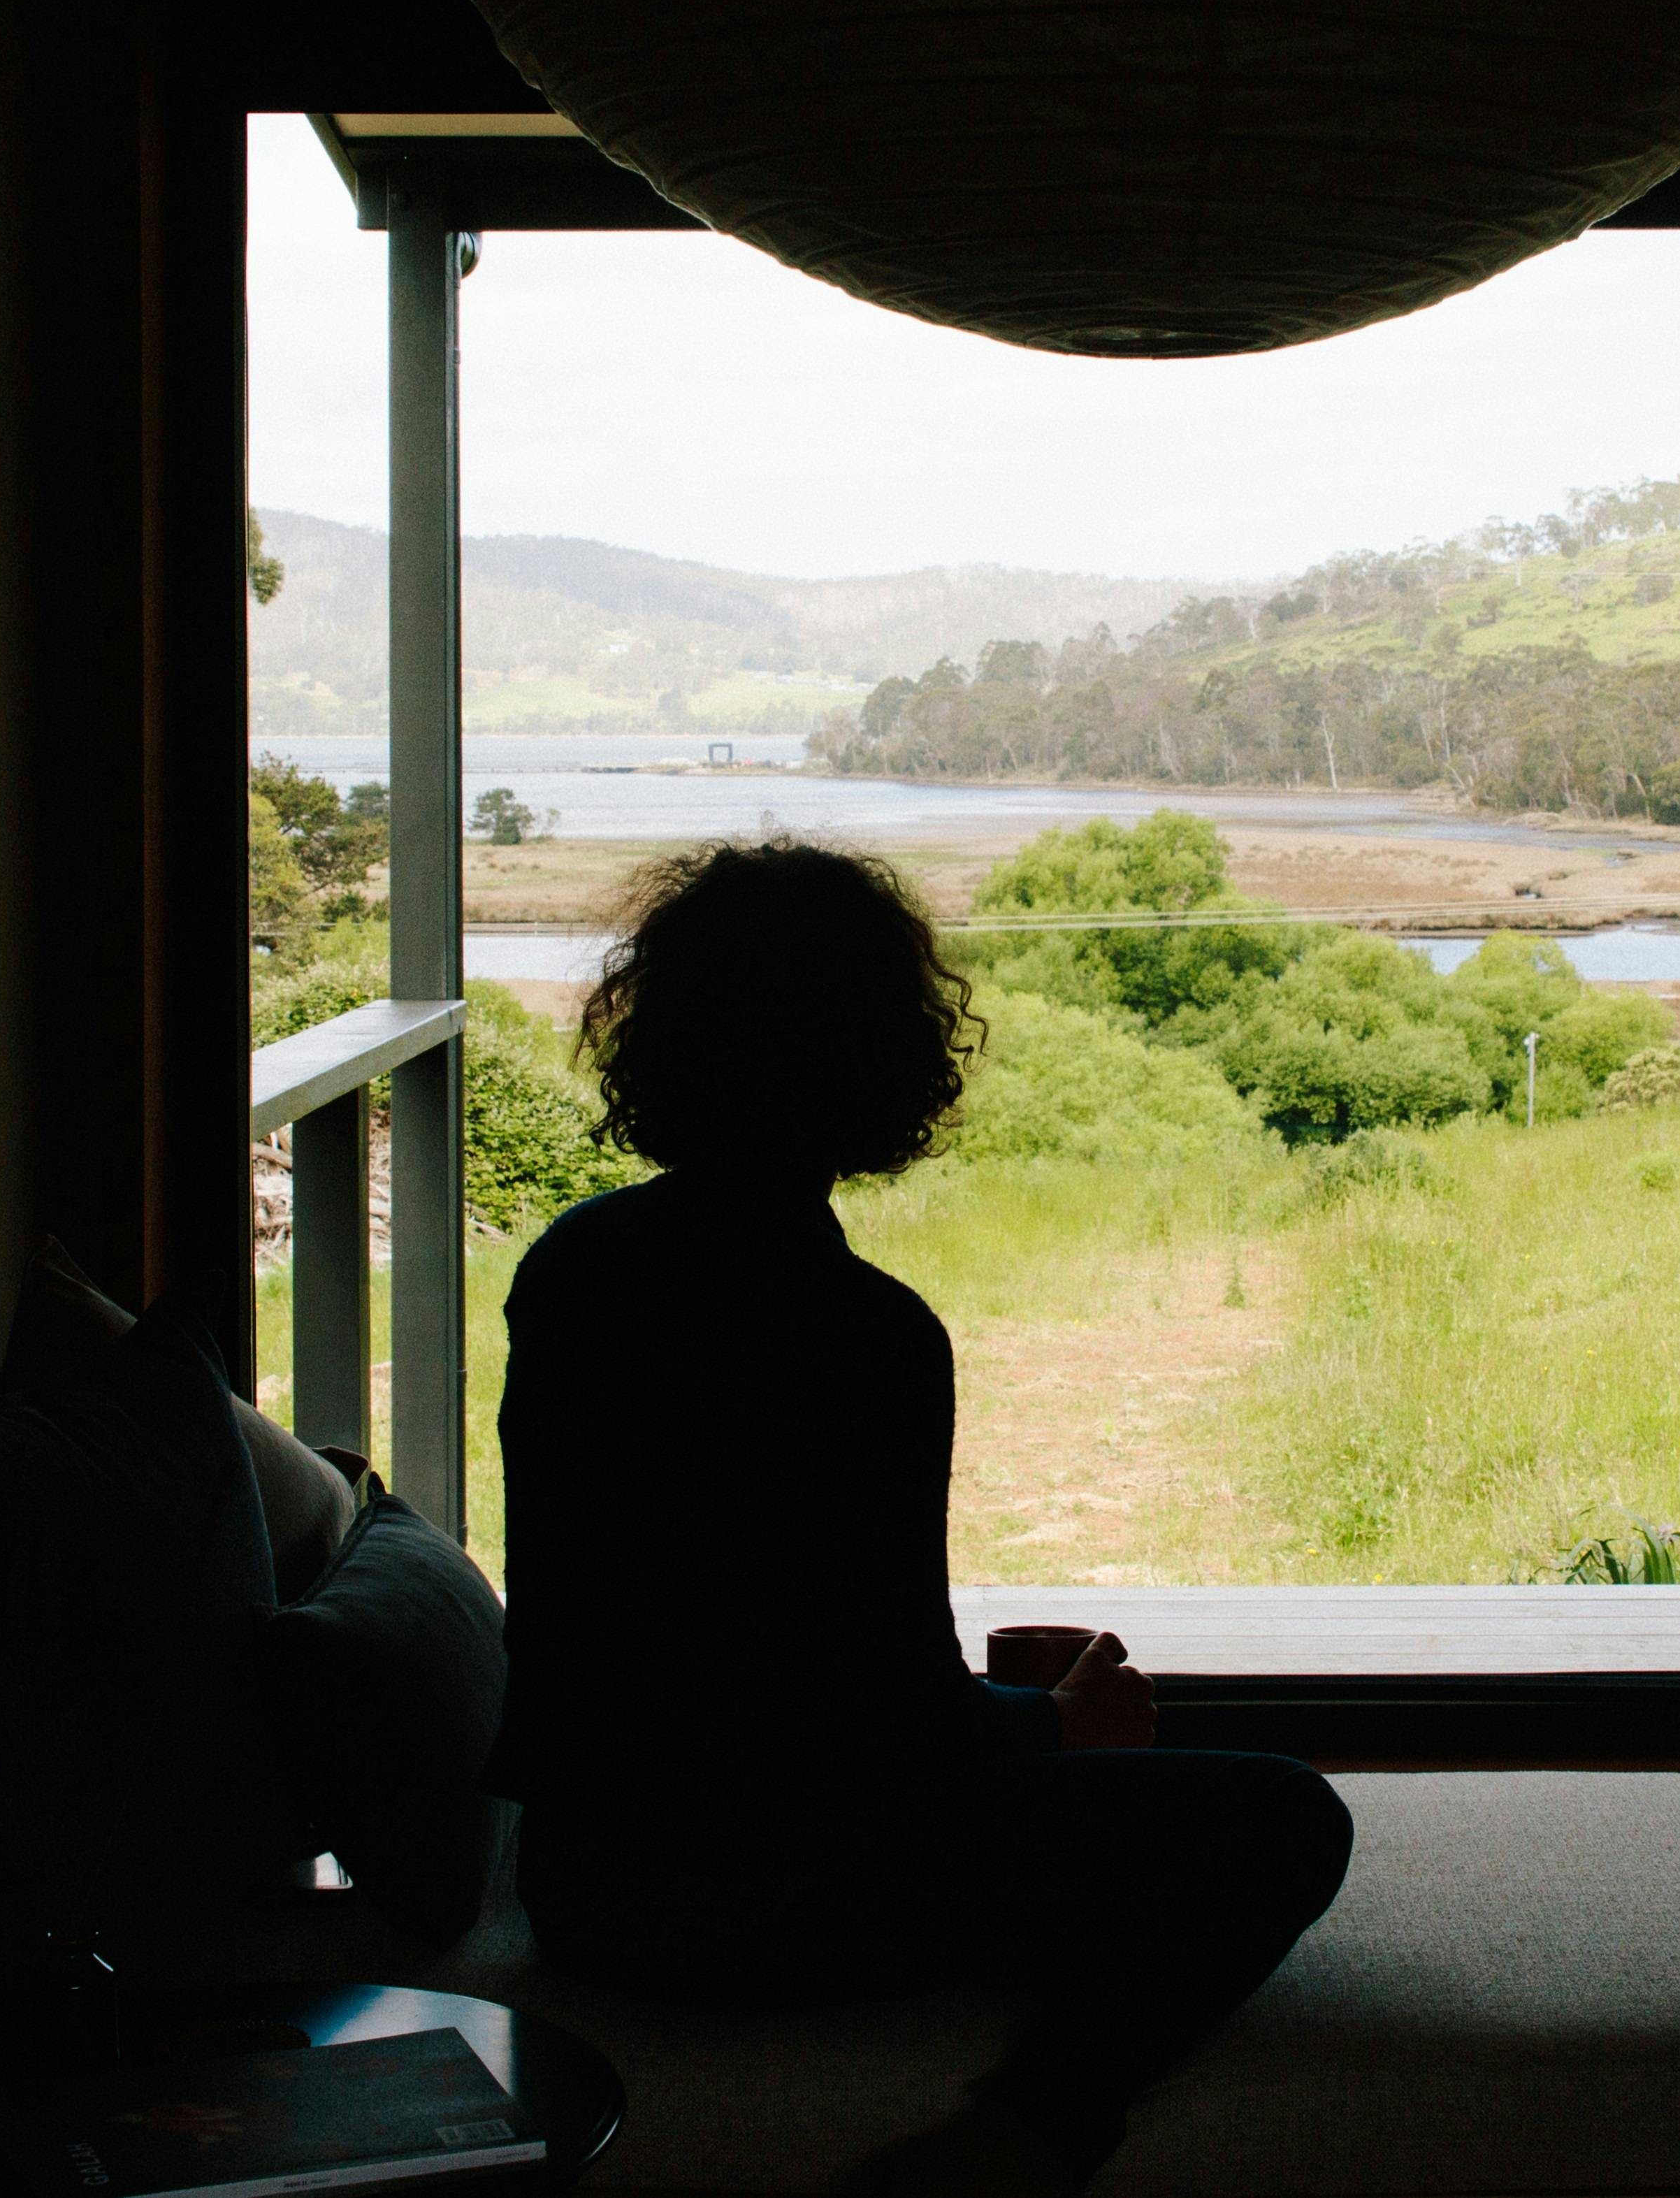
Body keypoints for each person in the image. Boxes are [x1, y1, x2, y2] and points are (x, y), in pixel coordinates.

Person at [491, 837, 1353, 2197]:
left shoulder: (571, 1268)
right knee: (1285, 1818)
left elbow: (646, 1656)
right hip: (780, 1903)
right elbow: (871, 1729)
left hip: (591, 1889)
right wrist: (1059, 1726)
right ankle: (1032, 2129)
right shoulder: (867, 1334)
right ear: (884, 1058)